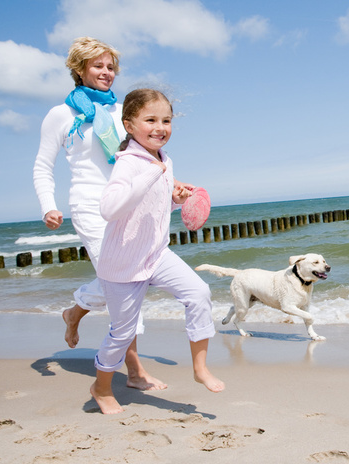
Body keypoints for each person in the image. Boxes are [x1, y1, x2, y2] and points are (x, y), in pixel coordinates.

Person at [33, 37, 166, 391]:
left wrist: (170, 184)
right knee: (123, 281)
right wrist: (49, 204)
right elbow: (43, 165)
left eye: (111, 67)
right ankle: (135, 372)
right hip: (90, 205)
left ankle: (75, 310)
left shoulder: (123, 111)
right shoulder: (62, 115)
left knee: (138, 274)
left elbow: (144, 155)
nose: (106, 73)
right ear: (79, 70)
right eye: (98, 66)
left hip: (127, 203)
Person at [91, 88, 224, 414]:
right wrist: (151, 173)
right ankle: (101, 387)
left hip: (156, 253)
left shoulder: (164, 160)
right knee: (122, 333)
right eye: (150, 119)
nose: (160, 127)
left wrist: (176, 199)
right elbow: (109, 208)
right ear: (129, 124)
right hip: (122, 262)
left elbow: (154, 205)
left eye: (166, 120)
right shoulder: (129, 163)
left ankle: (200, 368)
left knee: (199, 291)